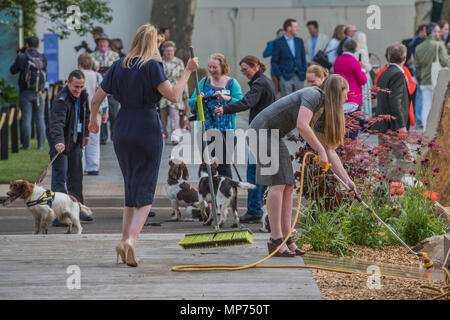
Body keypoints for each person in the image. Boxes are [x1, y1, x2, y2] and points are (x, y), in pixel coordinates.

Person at [89, 24, 198, 267]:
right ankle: (130, 241)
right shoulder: (152, 66)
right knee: (147, 189)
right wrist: (188, 71)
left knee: (131, 185)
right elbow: (174, 96)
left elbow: (96, 99)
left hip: (124, 127)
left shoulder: (119, 65)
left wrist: (93, 121)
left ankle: (123, 240)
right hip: (147, 126)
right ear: (154, 44)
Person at [249, 74, 355, 257]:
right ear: (337, 93)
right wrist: (319, 151)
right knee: (278, 184)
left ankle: (287, 237)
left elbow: (329, 150)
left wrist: (347, 180)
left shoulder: (323, 110)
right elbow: (301, 125)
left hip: (273, 135)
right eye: (346, 94)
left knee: (289, 185)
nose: (347, 97)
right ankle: (275, 239)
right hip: (260, 131)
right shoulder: (314, 95)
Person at [214, 55, 276, 223]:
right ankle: (261, 209)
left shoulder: (259, 84)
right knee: (261, 172)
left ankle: (254, 210)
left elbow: (247, 102)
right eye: (241, 70)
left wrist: (225, 109)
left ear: (255, 66)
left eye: (245, 69)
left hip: (260, 133)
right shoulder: (265, 81)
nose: (243, 73)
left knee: (253, 172)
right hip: (266, 131)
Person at [47, 70, 92, 226]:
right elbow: (56, 123)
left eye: (81, 87)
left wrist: (85, 133)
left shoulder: (84, 96)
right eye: (75, 87)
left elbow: (85, 116)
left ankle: (77, 211)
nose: (78, 90)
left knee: (76, 178)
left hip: (75, 141)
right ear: (68, 83)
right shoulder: (61, 100)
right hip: (61, 142)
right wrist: (58, 141)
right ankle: (59, 216)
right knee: (60, 179)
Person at [188, 53, 243, 178]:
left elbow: (241, 103)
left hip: (226, 131)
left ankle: (227, 195)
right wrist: (198, 99)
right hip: (205, 130)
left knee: (223, 167)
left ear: (223, 67)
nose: (211, 70)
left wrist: (227, 98)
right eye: (210, 67)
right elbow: (191, 104)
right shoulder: (204, 82)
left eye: (215, 67)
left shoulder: (232, 83)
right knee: (207, 167)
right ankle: (209, 195)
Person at [374, 44, 411, 180]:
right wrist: (401, 125)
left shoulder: (384, 73)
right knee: (406, 159)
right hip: (393, 126)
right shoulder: (398, 75)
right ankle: (392, 184)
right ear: (405, 58)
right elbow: (395, 102)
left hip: (382, 123)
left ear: (388, 57)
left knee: (384, 161)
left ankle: (383, 191)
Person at [10, 36, 47, 151]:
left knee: (26, 118)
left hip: (25, 92)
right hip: (39, 92)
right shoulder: (42, 57)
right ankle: (41, 145)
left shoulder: (22, 57)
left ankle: (27, 145)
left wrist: (19, 55)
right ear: (38, 46)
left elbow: (13, 70)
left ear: (27, 45)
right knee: (40, 119)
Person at [78, 53, 109, 176]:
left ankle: (80, 165)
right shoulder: (97, 76)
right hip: (95, 113)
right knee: (94, 141)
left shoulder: (77, 75)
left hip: (80, 113)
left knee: (80, 140)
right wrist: (105, 112)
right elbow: (103, 95)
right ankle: (93, 166)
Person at [414, 22, 448, 131]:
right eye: (437, 31)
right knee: (438, 107)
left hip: (424, 80)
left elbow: (417, 65)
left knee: (426, 105)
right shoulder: (439, 45)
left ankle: (426, 129)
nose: (439, 33)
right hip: (437, 80)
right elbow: (444, 62)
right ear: (432, 33)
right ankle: (437, 130)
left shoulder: (419, 47)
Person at [374, 48, 416, 130]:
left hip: (390, 114)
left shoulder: (404, 70)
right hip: (395, 115)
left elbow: (412, 84)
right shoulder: (387, 72)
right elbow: (394, 100)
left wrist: (404, 90)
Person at [333, 39, 367, 139]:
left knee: (342, 130)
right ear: (355, 49)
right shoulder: (354, 61)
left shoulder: (338, 60)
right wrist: (363, 69)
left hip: (340, 98)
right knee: (353, 130)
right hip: (353, 99)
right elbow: (363, 80)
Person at [91, 33, 120, 144]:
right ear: (98, 44)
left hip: (112, 88)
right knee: (100, 111)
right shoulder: (93, 56)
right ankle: (102, 137)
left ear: (108, 43)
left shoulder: (114, 56)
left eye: (105, 42)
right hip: (99, 88)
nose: (103, 44)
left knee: (113, 113)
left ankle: (114, 135)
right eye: (100, 42)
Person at [159, 41, 189, 145]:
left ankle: (175, 137)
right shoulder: (159, 62)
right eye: (167, 51)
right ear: (163, 51)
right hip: (162, 95)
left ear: (174, 51)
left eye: (171, 51)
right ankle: (162, 135)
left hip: (176, 93)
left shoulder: (179, 62)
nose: (169, 53)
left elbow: (184, 79)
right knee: (162, 118)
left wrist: (186, 96)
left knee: (175, 116)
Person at [271, 18, 307, 98]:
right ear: (288, 28)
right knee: (287, 102)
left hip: (300, 76)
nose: (297, 29)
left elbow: (303, 58)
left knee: (299, 100)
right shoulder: (278, 42)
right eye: (295, 26)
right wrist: (280, 75)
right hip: (285, 77)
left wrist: (304, 71)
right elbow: (274, 61)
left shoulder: (299, 41)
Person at [407, 24, 427, 129]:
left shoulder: (413, 41)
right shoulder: (419, 42)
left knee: (418, 96)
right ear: (420, 32)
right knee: (420, 96)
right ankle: (419, 119)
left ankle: (418, 118)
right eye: (425, 31)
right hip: (419, 72)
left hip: (415, 71)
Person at [353, 31, 373, 119]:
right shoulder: (363, 51)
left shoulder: (353, 52)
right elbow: (367, 67)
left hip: (356, 79)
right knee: (365, 100)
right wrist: (370, 65)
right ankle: (365, 119)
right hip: (364, 78)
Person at [263, 28, 284, 97]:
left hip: (286, 72)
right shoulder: (272, 43)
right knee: (276, 91)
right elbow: (265, 54)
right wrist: (275, 45)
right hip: (275, 72)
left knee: (285, 92)